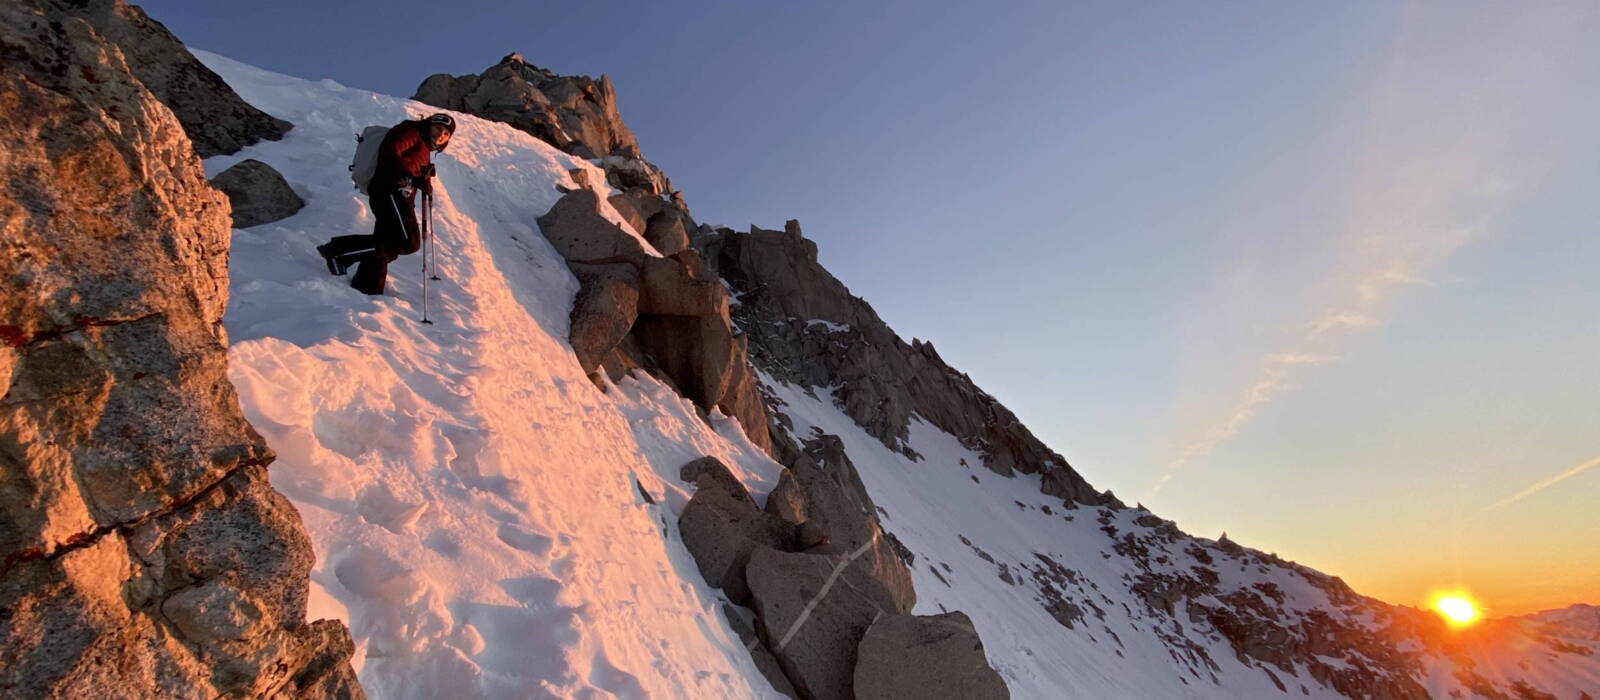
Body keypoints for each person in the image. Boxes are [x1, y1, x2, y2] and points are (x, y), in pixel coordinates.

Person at [318, 113, 456, 294]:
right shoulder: (411, 132)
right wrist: (415, 178)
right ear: (429, 124)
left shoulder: (424, 148)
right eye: (438, 128)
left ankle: (367, 287)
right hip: (389, 189)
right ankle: (338, 251)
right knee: (408, 242)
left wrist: (423, 180)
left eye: (446, 134)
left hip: (399, 195)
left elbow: (410, 169)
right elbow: (390, 153)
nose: (441, 135)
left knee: (386, 241)